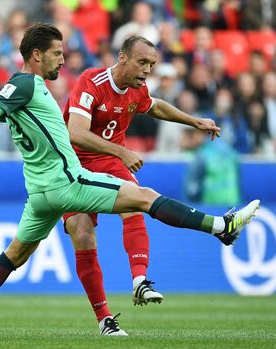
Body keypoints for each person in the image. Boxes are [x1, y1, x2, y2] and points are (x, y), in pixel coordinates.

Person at [0, 24, 260, 337]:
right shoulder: (27, 84)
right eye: (56, 54)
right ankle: (220, 226)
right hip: (68, 183)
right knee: (143, 197)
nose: (62, 61)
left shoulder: (18, 91)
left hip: (39, 194)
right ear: (37, 55)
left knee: (15, 254)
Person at [62, 34, 227, 333]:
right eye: (142, 62)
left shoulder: (137, 90)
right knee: (82, 233)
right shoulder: (91, 81)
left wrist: (194, 121)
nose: (147, 70)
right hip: (72, 165)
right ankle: (104, 320)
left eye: (151, 64)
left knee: (137, 201)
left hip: (109, 162)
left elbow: (154, 106)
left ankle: (140, 280)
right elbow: (75, 132)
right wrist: (122, 151)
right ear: (122, 58)